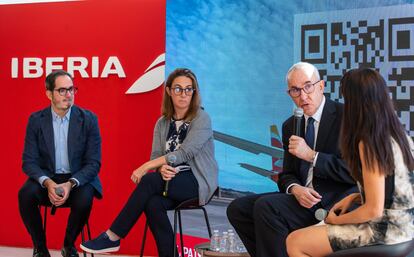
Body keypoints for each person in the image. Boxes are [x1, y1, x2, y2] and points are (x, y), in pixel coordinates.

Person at [80, 68, 218, 257]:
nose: (183, 94)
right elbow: (156, 155)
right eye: (178, 89)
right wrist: (161, 168)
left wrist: (146, 167)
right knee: (153, 203)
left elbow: (186, 153)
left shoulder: (202, 118)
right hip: (169, 181)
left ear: (194, 92)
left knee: (148, 181)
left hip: (197, 181)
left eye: (189, 89)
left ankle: (113, 236)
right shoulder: (162, 123)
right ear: (169, 91)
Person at [226, 62, 357, 257]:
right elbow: (287, 174)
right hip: (301, 200)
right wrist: (295, 189)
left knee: (266, 207)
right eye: (295, 90)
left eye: (308, 86)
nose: (303, 96)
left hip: (333, 201)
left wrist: (311, 156)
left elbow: (356, 172)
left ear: (321, 86)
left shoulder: (347, 117)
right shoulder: (290, 125)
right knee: (238, 209)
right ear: (289, 94)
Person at [286, 68, 414, 256]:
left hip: (384, 232)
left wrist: (335, 221)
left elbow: (373, 210)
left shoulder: (369, 142)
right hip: (406, 227)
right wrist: (353, 198)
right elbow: (393, 191)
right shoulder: (400, 136)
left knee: (295, 241)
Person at [18, 70, 102, 257]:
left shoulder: (89, 119)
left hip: (76, 179)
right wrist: (48, 183)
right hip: (48, 177)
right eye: (62, 90)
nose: (69, 94)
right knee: (25, 194)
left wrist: (70, 183)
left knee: (85, 198)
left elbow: (93, 163)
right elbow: (28, 161)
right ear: (49, 94)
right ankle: (40, 248)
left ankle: (69, 245)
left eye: (71, 89)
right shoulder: (36, 120)